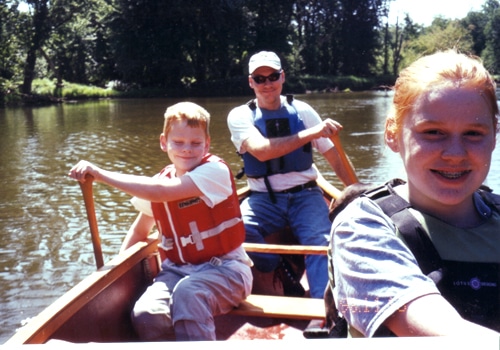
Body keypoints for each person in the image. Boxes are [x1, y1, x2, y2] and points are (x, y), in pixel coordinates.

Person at [329, 50, 500, 337]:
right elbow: (441, 332)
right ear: (393, 135)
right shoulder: (361, 228)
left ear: (494, 135)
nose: (455, 154)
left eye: (473, 133)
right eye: (433, 132)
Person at [68, 102, 253, 341]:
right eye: (178, 142)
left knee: (189, 293)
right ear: (164, 142)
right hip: (176, 271)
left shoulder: (213, 172)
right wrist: (112, 276)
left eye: (196, 143)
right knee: (147, 313)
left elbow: (160, 192)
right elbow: (140, 230)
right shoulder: (161, 180)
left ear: (207, 144)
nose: (187, 149)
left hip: (227, 271)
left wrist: (101, 174)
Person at [227, 50, 354, 301]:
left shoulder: (303, 111)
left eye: (272, 76)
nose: (267, 84)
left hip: (305, 194)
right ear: (250, 82)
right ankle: (280, 269)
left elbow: (334, 156)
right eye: (260, 79)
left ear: (282, 77)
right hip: (262, 198)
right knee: (236, 229)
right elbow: (262, 152)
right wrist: (313, 133)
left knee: (320, 243)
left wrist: (357, 190)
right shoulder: (240, 115)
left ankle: (322, 309)